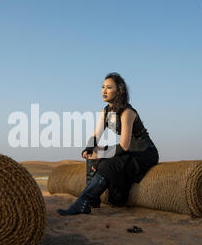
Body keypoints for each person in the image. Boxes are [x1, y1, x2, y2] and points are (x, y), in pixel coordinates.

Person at [57, 72, 159, 216]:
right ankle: (92, 201)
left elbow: (123, 146)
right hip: (127, 150)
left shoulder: (127, 112)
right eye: (103, 87)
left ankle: (82, 202)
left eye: (109, 87)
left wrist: (102, 157)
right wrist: (88, 148)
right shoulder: (105, 111)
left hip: (142, 152)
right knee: (92, 153)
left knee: (106, 164)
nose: (104, 91)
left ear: (119, 91)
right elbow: (95, 135)